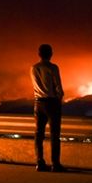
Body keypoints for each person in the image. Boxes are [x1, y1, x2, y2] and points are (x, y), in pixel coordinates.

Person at [30, 43, 66, 172]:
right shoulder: (53, 67)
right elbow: (58, 87)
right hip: (51, 102)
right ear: (51, 54)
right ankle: (55, 164)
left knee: (39, 134)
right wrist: (59, 99)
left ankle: (39, 162)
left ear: (39, 54)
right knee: (54, 134)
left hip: (38, 103)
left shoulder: (33, 68)